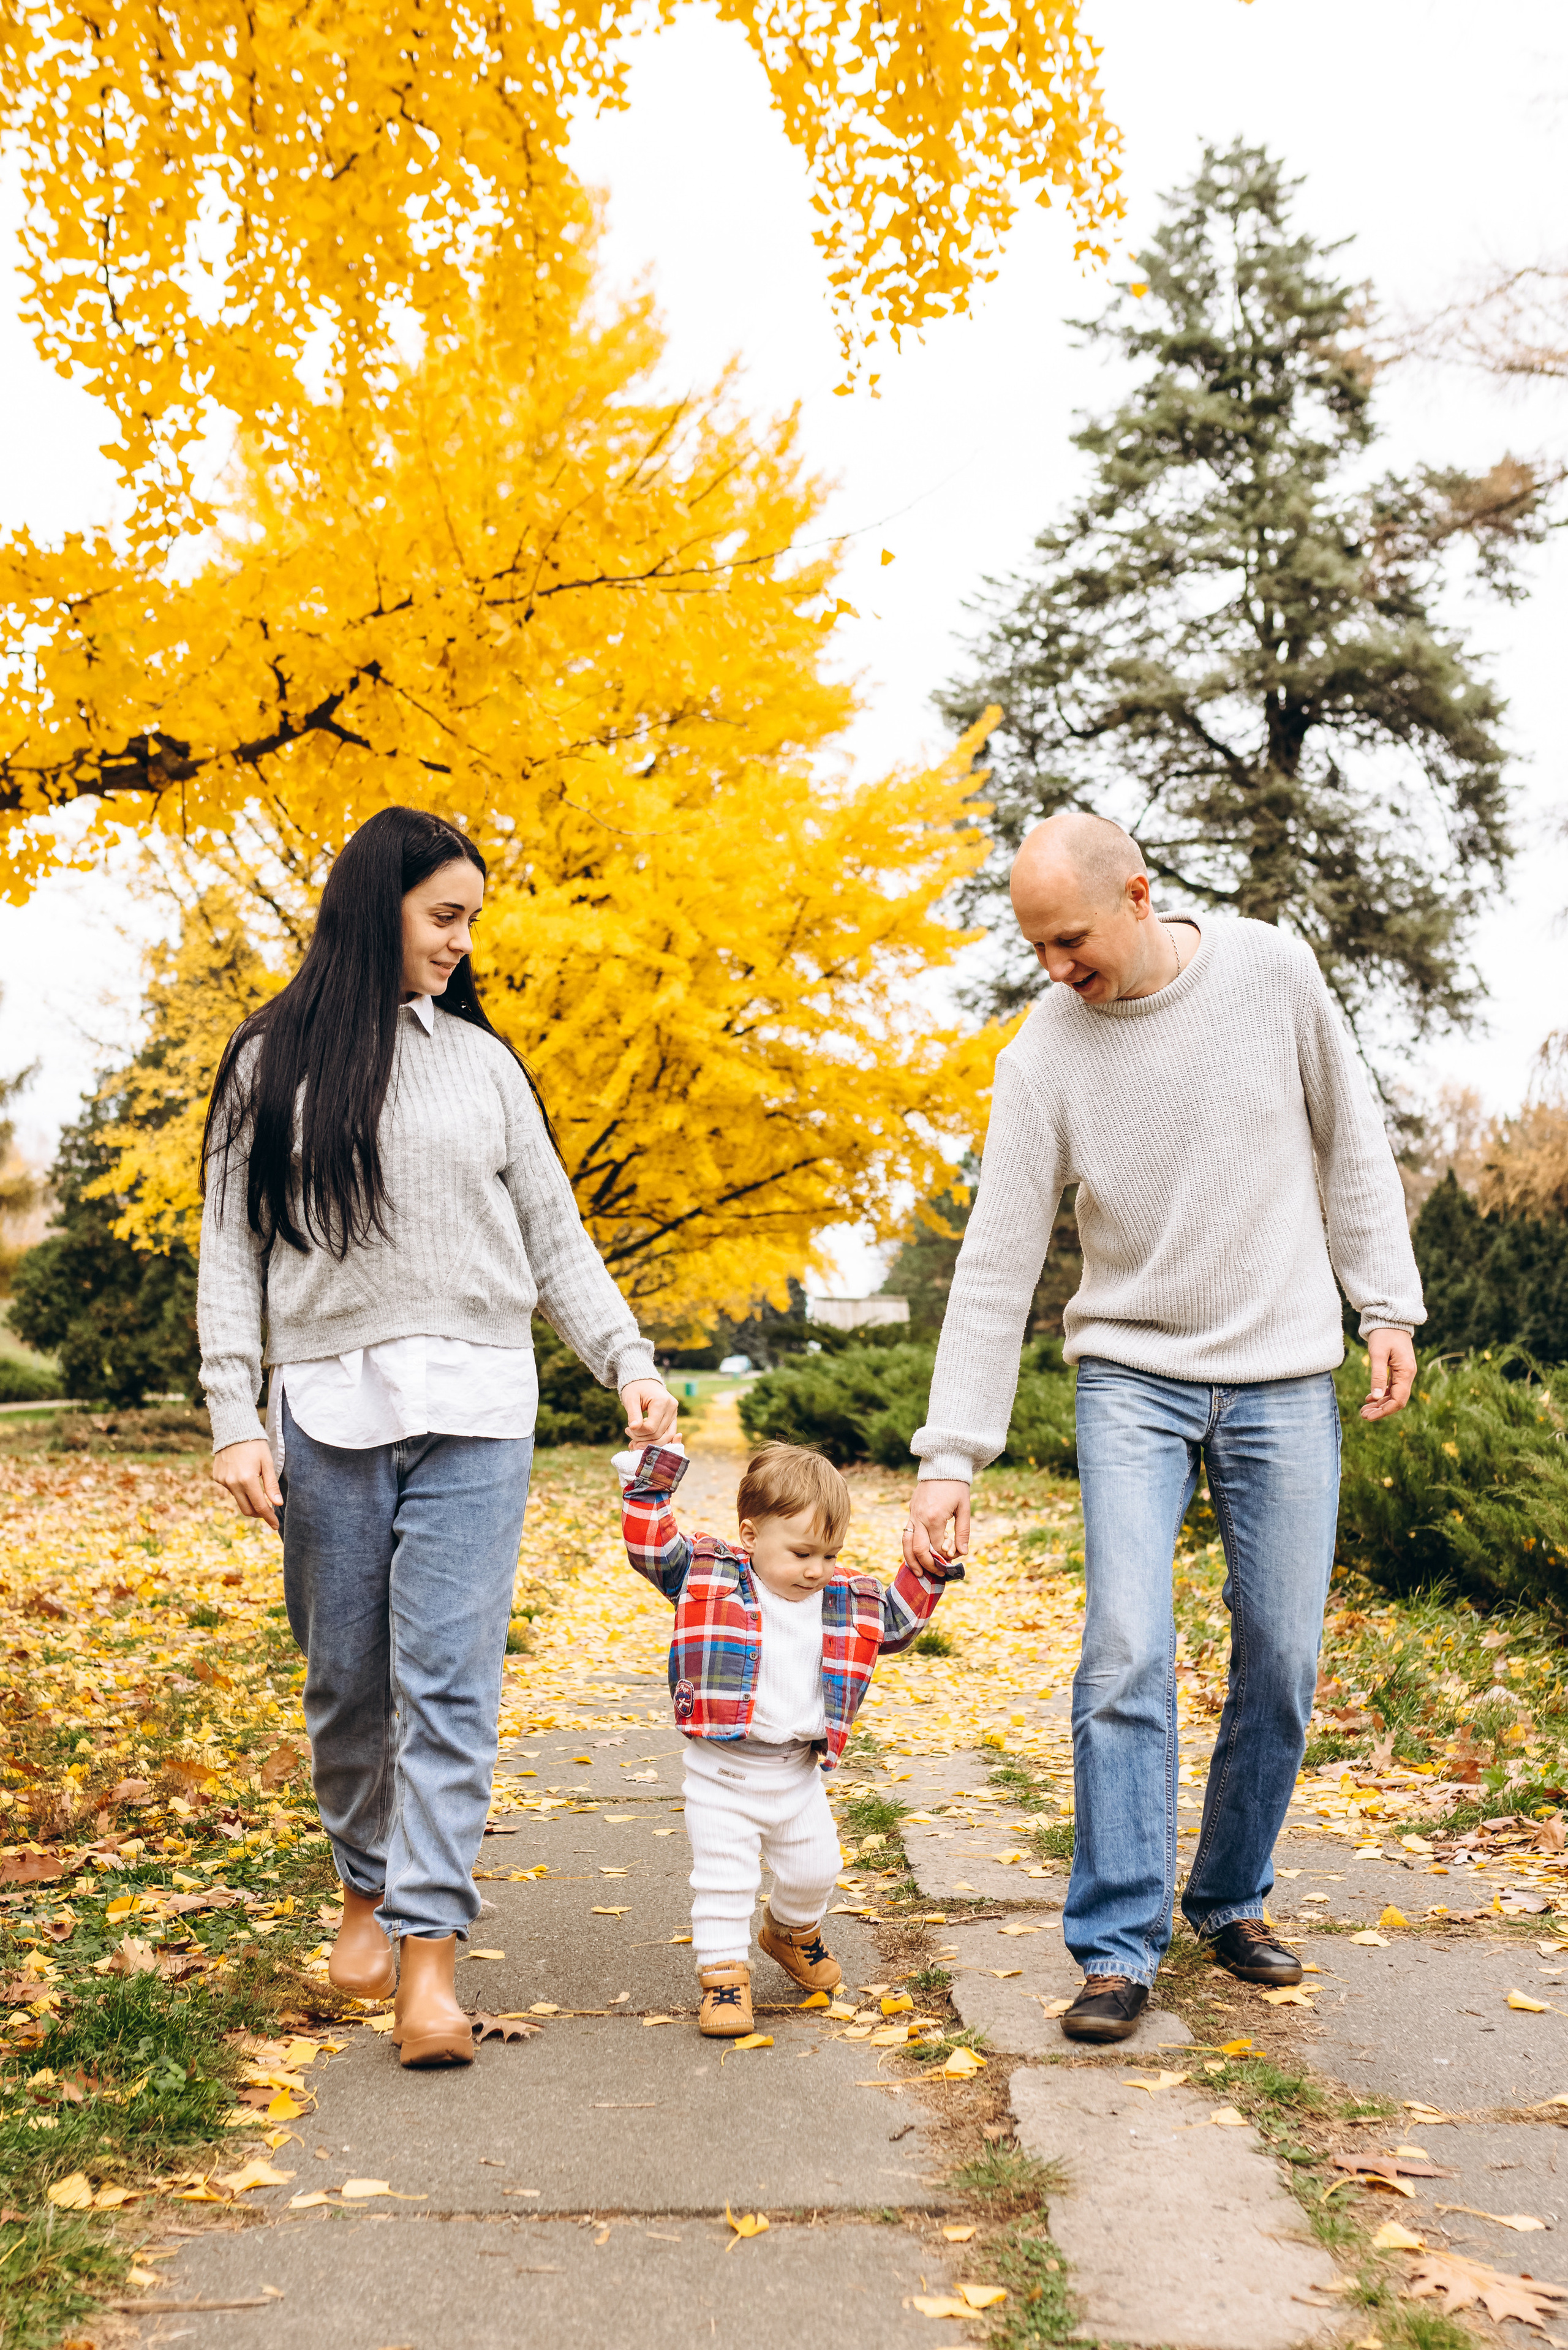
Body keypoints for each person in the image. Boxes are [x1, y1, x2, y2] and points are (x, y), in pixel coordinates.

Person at [903, 810, 1423, 2044]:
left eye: (1070, 940)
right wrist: (948, 1454)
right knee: (1125, 1650)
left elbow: (1350, 1137)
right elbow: (997, 1260)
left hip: (1282, 1368)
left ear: (1137, 896)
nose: (1055, 968)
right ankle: (1115, 1944)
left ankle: (1229, 1896)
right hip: (1130, 1375)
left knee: (1282, 1656)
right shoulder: (1043, 1051)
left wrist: (1385, 1301)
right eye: (1035, 946)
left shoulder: (1270, 971)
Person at [198, 805, 676, 2069]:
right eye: (443, 915)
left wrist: (626, 1358)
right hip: (328, 1411)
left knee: (451, 1686)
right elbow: (230, 1249)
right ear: (379, 908)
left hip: (478, 1409)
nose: (463, 941)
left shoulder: (483, 1065)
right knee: (347, 1683)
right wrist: (234, 1416)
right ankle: (365, 1880)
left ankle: (429, 1962)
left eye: (471, 920)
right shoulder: (269, 1062)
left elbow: (554, 1233)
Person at [619, 1438, 960, 2035]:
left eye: (830, 1554)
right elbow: (651, 1544)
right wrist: (655, 1466)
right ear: (750, 1535)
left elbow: (898, 1624)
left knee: (817, 1870)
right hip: (721, 1775)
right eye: (802, 1553)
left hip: (797, 1774)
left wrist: (926, 1567)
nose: (816, 1569)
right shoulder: (708, 1573)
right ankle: (723, 1979)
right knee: (725, 1882)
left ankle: (789, 1931)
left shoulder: (845, 1599)